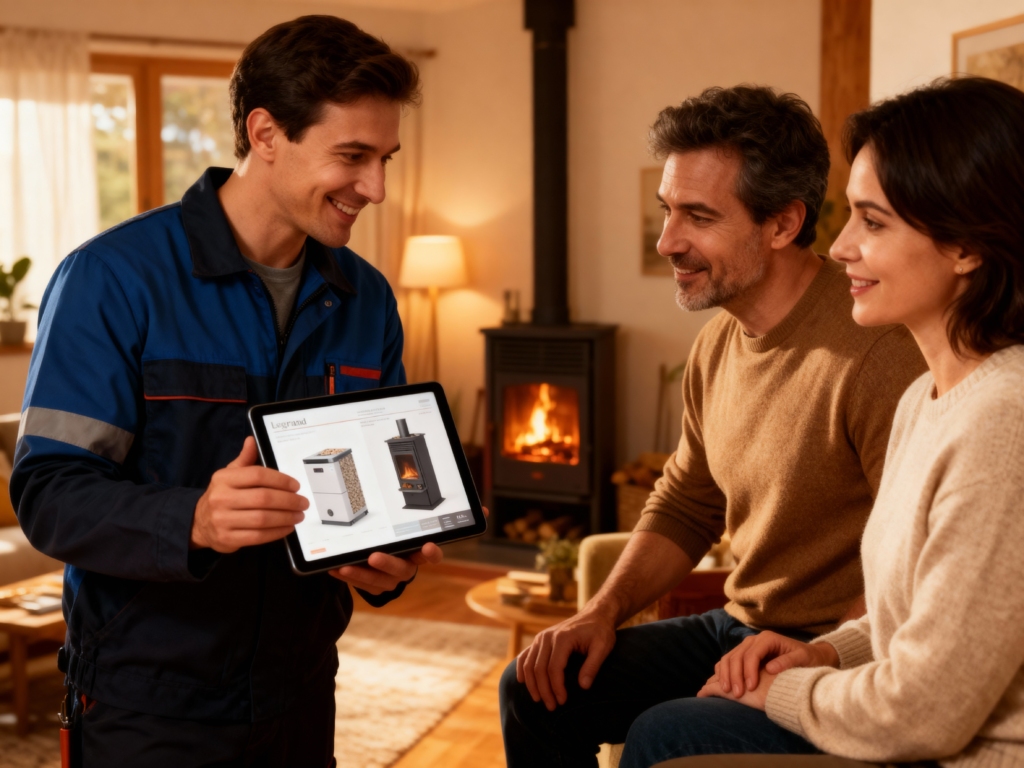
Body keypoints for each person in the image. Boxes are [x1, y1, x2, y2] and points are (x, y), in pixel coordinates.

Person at [10, 16, 438, 766]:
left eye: (385, 159)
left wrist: (388, 565)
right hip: (147, 703)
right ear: (265, 133)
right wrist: (196, 520)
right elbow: (49, 495)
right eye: (352, 156)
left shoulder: (366, 298)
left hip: (302, 692)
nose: (375, 188)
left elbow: (382, 494)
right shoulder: (112, 279)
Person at [500, 85, 928, 768]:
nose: (668, 241)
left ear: (783, 224)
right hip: (739, 625)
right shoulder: (717, 343)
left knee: (664, 733)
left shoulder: (879, 352)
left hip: (837, 652)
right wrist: (599, 613)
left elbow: (913, 560)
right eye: (667, 210)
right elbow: (686, 501)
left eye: (698, 216)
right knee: (534, 688)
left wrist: (820, 655)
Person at [668, 76, 1024, 768]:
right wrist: (828, 652)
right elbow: (919, 620)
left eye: (873, 222)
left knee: (675, 735)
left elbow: (925, 713)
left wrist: (784, 690)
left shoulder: (1003, 423)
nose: (838, 247)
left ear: (965, 246)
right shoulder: (926, 400)